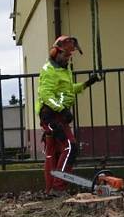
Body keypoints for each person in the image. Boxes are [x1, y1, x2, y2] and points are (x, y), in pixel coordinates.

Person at [35, 35, 100, 196]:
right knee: (71, 147)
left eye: (70, 56)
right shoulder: (49, 70)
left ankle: (51, 189)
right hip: (50, 115)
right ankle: (59, 187)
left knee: (53, 153)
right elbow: (46, 95)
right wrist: (61, 110)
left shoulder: (64, 70)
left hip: (59, 116)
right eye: (65, 55)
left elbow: (68, 90)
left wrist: (87, 83)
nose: (67, 59)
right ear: (55, 53)